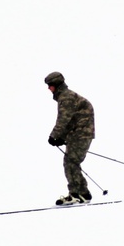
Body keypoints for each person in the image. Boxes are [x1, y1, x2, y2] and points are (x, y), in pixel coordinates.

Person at [44, 71, 96, 205]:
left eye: (50, 85)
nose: (48, 88)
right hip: (77, 133)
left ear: (56, 85)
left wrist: (54, 136)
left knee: (71, 162)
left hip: (80, 134)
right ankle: (79, 193)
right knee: (70, 162)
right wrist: (61, 137)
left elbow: (63, 119)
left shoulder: (66, 98)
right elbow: (70, 119)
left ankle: (79, 194)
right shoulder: (66, 96)